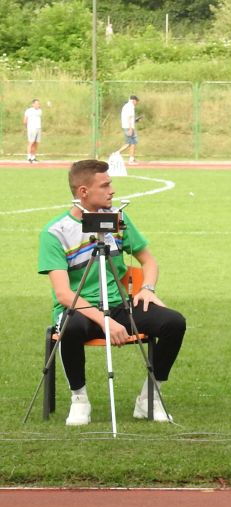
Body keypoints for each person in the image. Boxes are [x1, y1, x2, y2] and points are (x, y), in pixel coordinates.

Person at [38, 159, 186, 425]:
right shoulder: (55, 232)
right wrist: (104, 320)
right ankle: (79, 400)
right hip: (79, 310)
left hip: (119, 306)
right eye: (105, 185)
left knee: (173, 322)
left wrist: (147, 288)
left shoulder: (118, 219)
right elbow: (63, 294)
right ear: (83, 191)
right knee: (70, 327)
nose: (112, 190)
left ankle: (149, 398)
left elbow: (148, 261)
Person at [116, 95, 139, 163]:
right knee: (131, 143)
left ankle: (131, 158)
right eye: (136, 101)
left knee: (131, 143)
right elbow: (129, 118)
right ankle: (117, 153)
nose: (136, 103)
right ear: (134, 100)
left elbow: (128, 118)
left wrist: (135, 120)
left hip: (127, 126)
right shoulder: (130, 106)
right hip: (129, 127)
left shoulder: (126, 106)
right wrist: (130, 128)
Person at [24, 99, 41, 163]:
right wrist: (27, 127)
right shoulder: (28, 111)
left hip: (38, 128)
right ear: (33, 104)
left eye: (38, 104)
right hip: (31, 128)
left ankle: (33, 157)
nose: (37, 105)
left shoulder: (39, 111)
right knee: (31, 142)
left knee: (36, 143)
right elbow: (25, 120)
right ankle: (29, 157)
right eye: (36, 103)